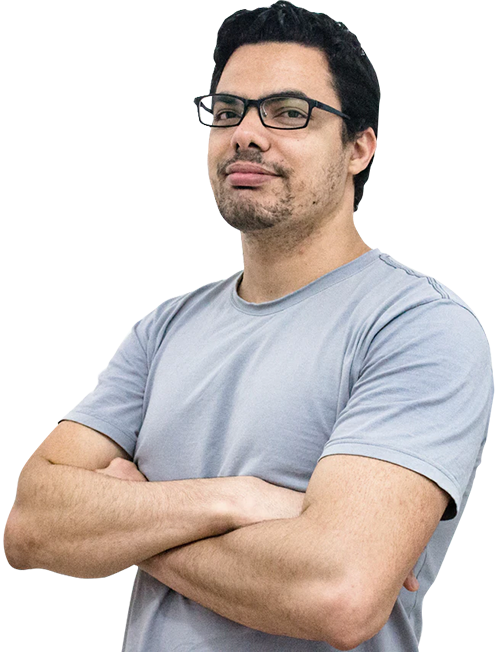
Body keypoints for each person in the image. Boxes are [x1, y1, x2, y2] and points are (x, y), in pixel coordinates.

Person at [5, 3, 492, 651]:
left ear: (358, 149)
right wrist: (234, 499)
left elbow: (336, 596)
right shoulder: (166, 330)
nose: (246, 134)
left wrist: (133, 522)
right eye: (228, 110)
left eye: (289, 113)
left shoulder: (417, 329)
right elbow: (29, 525)